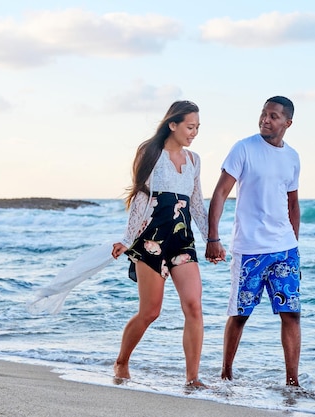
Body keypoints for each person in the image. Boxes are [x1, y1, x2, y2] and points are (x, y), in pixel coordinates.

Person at [111, 100, 209, 388]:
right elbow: (141, 197)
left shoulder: (194, 160)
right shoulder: (150, 151)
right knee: (150, 312)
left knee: (194, 306)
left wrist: (211, 240)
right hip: (151, 239)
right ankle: (122, 361)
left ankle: (192, 378)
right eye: (190, 127)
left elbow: (197, 205)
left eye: (198, 128)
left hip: (182, 241)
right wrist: (128, 240)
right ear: (173, 124)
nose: (194, 133)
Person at [205, 96, 302, 386]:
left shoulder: (293, 157)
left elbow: (293, 202)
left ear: (287, 123)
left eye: (273, 116)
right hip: (249, 249)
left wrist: (292, 241)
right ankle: (226, 374)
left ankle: (292, 382)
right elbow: (220, 193)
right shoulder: (244, 148)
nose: (265, 120)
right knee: (240, 314)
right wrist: (213, 237)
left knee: (291, 314)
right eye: (263, 114)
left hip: (284, 250)